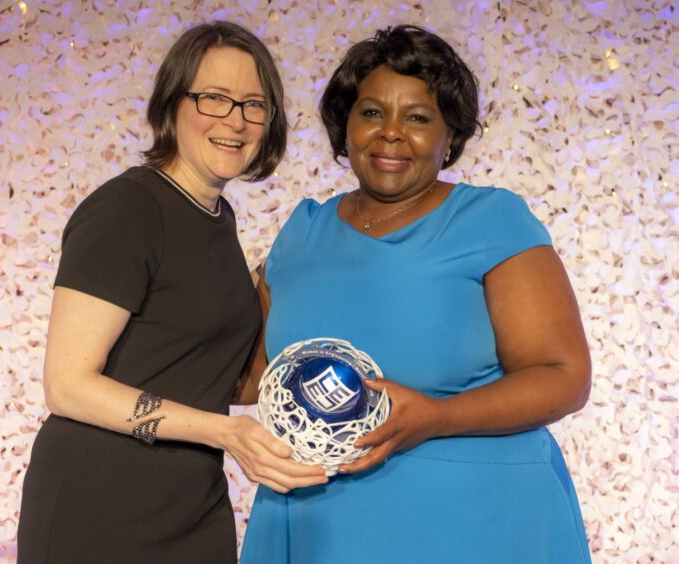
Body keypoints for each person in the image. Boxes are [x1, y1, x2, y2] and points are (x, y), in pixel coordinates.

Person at [239, 25, 592, 563]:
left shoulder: (490, 219)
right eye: (373, 112)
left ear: (451, 135)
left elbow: (563, 377)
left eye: (419, 118)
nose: (391, 134)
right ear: (346, 124)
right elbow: (253, 376)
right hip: (319, 523)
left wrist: (435, 416)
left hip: (476, 523)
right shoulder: (302, 232)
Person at [17, 21, 327, 564]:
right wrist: (226, 434)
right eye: (215, 98)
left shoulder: (217, 220)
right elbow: (67, 386)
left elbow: (222, 381)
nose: (236, 121)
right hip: (100, 505)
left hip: (192, 503)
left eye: (254, 104)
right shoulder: (128, 209)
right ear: (171, 105)